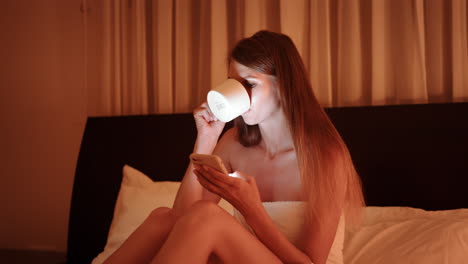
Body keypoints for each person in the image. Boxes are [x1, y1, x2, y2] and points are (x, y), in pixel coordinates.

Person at [103, 30, 364, 264]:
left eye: (249, 84)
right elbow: (181, 219)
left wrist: (252, 211)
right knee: (162, 217)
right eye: (234, 83)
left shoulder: (325, 156)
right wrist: (206, 140)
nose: (240, 93)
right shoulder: (233, 144)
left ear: (284, 85)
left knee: (209, 216)